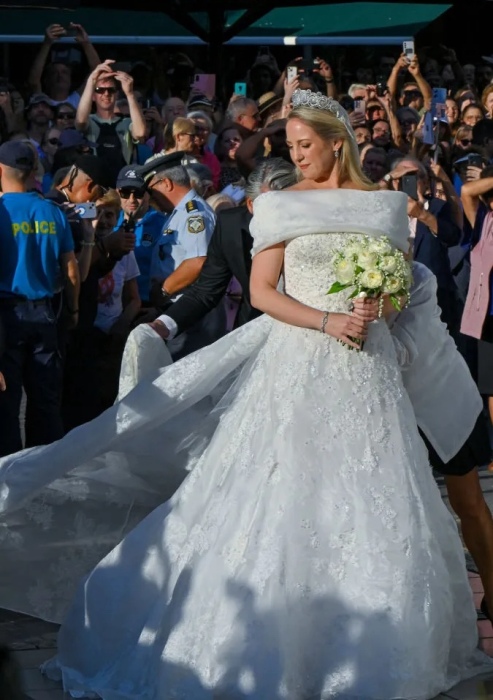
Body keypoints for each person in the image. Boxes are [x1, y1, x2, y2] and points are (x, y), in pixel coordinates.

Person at [0, 91, 491, 699]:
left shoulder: (386, 205)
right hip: (300, 364)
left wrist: (377, 304)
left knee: (372, 491)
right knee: (282, 489)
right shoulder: (280, 205)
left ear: (338, 141)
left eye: (304, 146)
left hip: (370, 369)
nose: (297, 157)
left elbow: (401, 293)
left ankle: (369, 641)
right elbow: (261, 292)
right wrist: (325, 320)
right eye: (290, 148)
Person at [150, 158, 297, 342]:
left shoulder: (316, 224)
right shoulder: (230, 226)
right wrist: (164, 325)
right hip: (252, 331)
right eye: (268, 207)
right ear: (250, 205)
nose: (277, 215)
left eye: (284, 205)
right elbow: (206, 290)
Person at [0, 142, 79, 456]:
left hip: (7, 317)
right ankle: (47, 472)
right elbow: (71, 268)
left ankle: (8, 474)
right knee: (45, 399)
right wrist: (72, 309)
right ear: (34, 172)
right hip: (45, 313)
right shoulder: (51, 211)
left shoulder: (2, 212)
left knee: (7, 402)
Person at [75, 59, 146, 183]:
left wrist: (129, 94)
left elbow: (140, 133)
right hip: (95, 184)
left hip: (121, 185)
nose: (106, 93)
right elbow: (80, 121)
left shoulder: (126, 122)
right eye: (100, 90)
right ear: (93, 95)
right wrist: (91, 80)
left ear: (117, 95)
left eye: (111, 90)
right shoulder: (90, 121)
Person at [114, 165, 167, 305]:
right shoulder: (107, 221)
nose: (131, 200)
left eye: (138, 193)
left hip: (147, 303)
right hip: (112, 304)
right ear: (117, 192)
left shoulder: (164, 224)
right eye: (125, 193)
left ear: (148, 193)